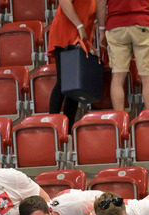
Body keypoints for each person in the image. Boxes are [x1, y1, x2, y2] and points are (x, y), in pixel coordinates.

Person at [97, 0, 149, 110]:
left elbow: (101, 2)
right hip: (142, 21)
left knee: (118, 76)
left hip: (116, 25)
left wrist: (101, 29)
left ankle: (120, 122)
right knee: (147, 76)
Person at [48, 0, 96, 129]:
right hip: (67, 34)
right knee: (64, 82)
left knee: (74, 85)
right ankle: (52, 126)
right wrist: (80, 26)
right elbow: (65, 2)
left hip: (79, 37)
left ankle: (67, 129)